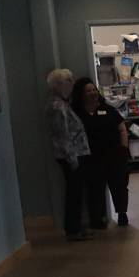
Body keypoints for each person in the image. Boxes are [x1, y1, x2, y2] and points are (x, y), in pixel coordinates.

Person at [71, 78, 130, 228]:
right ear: (81, 94)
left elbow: (122, 128)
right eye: (88, 91)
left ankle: (122, 213)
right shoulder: (76, 113)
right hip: (91, 158)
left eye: (94, 90)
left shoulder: (107, 109)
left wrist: (124, 148)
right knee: (95, 189)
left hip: (114, 154)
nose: (92, 93)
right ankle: (98, 218)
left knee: (119, 185)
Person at [45, 68, 93, 241]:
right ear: (59, 85)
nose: (72, 84)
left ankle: (78, 227)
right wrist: (72, 159)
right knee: (74, 193)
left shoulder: (63, 103)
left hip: (76, 154)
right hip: (71, 156)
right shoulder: (57, 106)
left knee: (77, 192)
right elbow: (63, 135)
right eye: (68, 81)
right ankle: (73, 229)